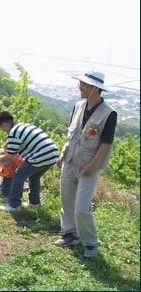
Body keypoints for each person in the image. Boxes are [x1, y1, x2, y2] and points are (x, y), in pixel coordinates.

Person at [54, 70, 117, 258]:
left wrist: (92, 165)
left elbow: (106, 143)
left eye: (84, 85)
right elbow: (71, 133)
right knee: (66, 198)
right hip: (70, 160)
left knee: (82, 206)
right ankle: (70, 234)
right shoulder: (78, 105)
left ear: (95, 89)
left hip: (89, 165)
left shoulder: (109, 113)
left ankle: (90, 242)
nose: (79, 87)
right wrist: (62, 153)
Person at [0, 111, 59, 212]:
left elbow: (10, 154)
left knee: (18, 175)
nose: (2, 130)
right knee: (34, 176)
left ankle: (14, 205)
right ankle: (34, 203)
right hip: (53, 154)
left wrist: (1, 158)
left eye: (1, 127)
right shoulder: (22, 126)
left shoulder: (14, 132)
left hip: (41, 155)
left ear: (5, 124)